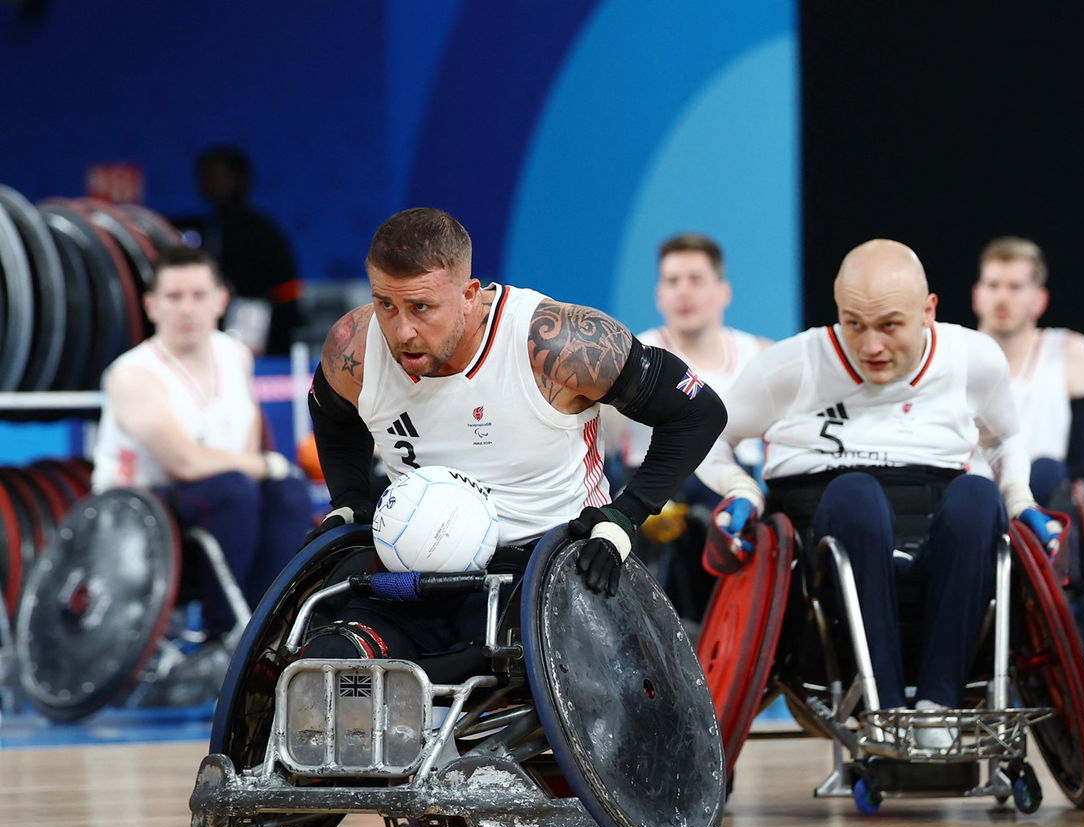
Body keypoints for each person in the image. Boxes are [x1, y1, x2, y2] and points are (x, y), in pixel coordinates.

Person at [304, 207, 725, 676]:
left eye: (421, 307)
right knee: (328, 656)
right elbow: (330, 414)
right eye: (386, 304)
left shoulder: (557, 343)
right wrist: (349, 499)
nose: (401, 330)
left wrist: (625, 518)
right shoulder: (355, 344)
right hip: (412, 566)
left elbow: (698, 412)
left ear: (468, 295)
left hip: (540, 561)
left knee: (487, 656)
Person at [697, 239, 1062, 746]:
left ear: (928, 311)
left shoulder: (972, 359)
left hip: (936, 547)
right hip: (827, 555)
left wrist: (1020, 500)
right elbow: (708, 436)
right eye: (854, 324)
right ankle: (884, 709)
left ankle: (937, 706)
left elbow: (1005, 437)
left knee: (980, 496)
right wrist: (742, 491)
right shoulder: (791, 365)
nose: (871, 346)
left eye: (890, 325)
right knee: (856, 495)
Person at [93, 245, 312, 638]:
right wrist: (263, 465)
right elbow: (184, 463)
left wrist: (264, 470)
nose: (187, 309)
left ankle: (271, 633)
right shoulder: (131, 373)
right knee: (235, 488)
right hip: (143, 511)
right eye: (174, 297)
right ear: (151, 305)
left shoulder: (234, 355)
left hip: (224, 499)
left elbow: (245, 441)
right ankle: (221, 636)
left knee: (288, 491)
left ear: (221, 300)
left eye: (198, 296)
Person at [606, 233, 770, 622]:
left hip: (732, 494)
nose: (684, 292)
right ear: (658, 295)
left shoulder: (762, 356)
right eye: (672, 281)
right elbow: (600, 446)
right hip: (654, 500)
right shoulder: (630, 359)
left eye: (696, 279)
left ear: (723, 291)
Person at [972, 237, 1084, 507]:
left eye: (1015, 287)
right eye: (993, 285)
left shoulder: (1071, 350)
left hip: (1046, 501)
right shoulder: (955, 353)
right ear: (977, 295)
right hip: (977, 504)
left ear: (1040, 299)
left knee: (1048, 471)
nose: (1001, 298)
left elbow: (1079, 465)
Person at [174, 145, 304, 355]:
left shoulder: (261, 229)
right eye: (205, 176)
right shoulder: (201, 229)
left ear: (239, 179)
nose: (209, 182)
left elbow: (287, 290)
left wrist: (280, 328)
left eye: (218, 175)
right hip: (208, 328)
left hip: (257, 331)